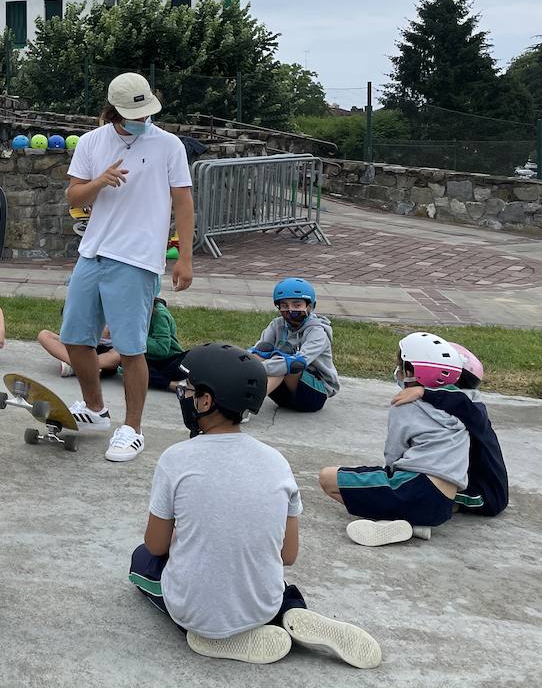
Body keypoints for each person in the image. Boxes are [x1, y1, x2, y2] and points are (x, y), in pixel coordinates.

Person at [129, 343, 381, 667]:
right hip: (263, 603)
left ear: (205, 401)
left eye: (188, 390)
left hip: (198, 610)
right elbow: (288, 555)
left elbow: (155, 544)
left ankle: (207, 633)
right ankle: (291, 611)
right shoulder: (277, 462)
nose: (184, 394)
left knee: (141, 561)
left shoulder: (175, 459)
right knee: (270, 582)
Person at [60, 72, 195, 462]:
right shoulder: (91, 142)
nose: (142, 118)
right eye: (133, 112)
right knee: (75, 338)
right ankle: (95, 410)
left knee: (132, 348)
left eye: (146, 110)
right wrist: (100, 181)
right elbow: (74, 195)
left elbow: (183, 202)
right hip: (93, 252)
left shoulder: (169, 145)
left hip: (137, 259)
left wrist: (184, 258)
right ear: (114, 110)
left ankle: (132, 428)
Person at [319, 333, 470, 546]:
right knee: (378, 484)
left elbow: (393, 454)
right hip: (444, 504)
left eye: (402, 366)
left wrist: (383, 481)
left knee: (328, 477)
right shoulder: (462, 404)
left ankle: (395, 517)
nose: (398, 371)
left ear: (412, 371)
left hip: (415, 487)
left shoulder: (405, 404)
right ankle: (415, 523)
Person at [390, 336, 507, 518]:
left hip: (484, 495)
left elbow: (460, 402)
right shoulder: (462, 407)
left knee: (422, 492)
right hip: (474, 485)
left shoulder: (471, 408)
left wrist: (424, 392)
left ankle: (418, 520)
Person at [39, 298, 185, 387]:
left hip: (113, 350)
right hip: (86, 345)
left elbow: (160, 347)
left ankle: (83, 367)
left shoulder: (154, 313)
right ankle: (80, 365)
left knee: (120, 355)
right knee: (44, 335)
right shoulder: (92, 304)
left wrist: (118, 335)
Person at [250, 278, 340, 413]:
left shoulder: (317, 331)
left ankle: (248, 404)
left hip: (313, 396)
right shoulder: (277, 324)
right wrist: (242, 365)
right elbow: (258, 351)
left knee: (287, 361)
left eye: (297, 305)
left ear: (309, 306)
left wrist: (259, 368)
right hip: (282, 396)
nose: (290, 310)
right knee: (264, 349)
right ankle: (233, 397)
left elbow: (299, 362)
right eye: (284, 305)